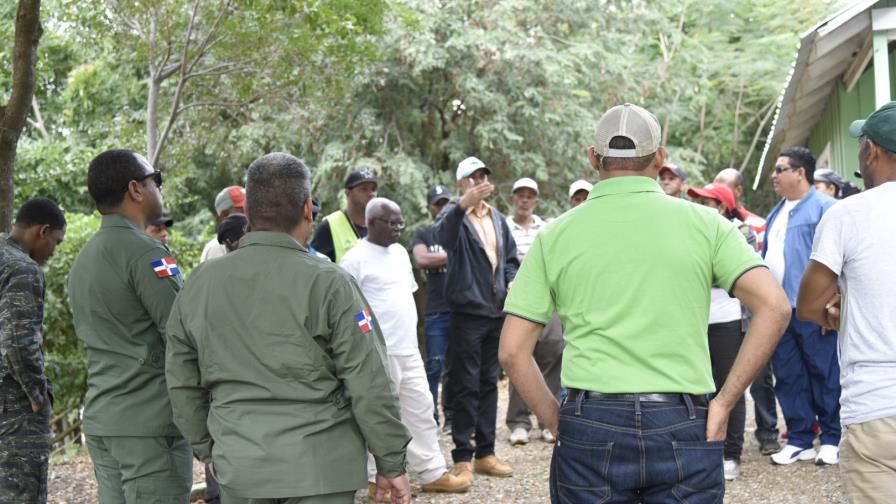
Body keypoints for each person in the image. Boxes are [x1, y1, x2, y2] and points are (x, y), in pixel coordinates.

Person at [499, 103, 790, 503]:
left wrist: (558, 419)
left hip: (592, 419)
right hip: (683, 419)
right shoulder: (707, 225)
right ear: (660, 158)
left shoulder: (555, 236)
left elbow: (513, 352)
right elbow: (775, 306)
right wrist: (725, 401)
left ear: (592, 158)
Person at [165, 153, 412, 504]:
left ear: (247, 213)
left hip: (241, 464)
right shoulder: (332, 284)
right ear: (308, 210)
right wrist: (392, 461)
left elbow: (180, 378)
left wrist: (209, 448)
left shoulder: (200, 284)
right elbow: (369, 379)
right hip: (322, 469)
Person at [68, 150, 193, 503]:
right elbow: (183, 336)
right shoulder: (146, 254)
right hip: (148, 427)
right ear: (136, 189)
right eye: (157, 180)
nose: (159, 189)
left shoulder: (84, 259)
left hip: (104, 421)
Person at [796, 102, 896, 503]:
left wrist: (844, 310)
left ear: (871, 150)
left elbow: (809, 306)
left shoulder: (849, 213)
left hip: (877, 406)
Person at [341, 197, 469, 499]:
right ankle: (375, 480)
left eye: (401, 221)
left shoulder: (399, 253)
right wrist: (367, 334)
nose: (399, 228)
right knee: (378, 416)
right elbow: (349, 309)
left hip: (408, 350)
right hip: (375, 354)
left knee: (422, 409)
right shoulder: (354, 259)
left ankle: (432, 472)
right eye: (392, 222)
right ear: (372, 222)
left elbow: (407, 295)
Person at [434, 156, 519, 483]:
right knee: (465, 384)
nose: (479, 181)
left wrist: (511, 280)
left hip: (495, 311)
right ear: (461, 182)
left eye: (483, 175)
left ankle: (486, 452)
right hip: (467, 312)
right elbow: (441, 238)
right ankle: (462, 456)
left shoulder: (497, 218)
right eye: (473, 176)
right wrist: (460, 205)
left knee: (488, 383)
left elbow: (509, 259)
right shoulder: (452, 214)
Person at [763, 146, 841, 466]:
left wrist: (833, 301)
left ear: (800, 173)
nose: (774, 175)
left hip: (813, 309)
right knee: (789, 374)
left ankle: (832, 437)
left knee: (823, 371)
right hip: (780, 310)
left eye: (780, 169)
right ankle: (800, 438)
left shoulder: (827, 208)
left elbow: (840, 258)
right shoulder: (777, 211)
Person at [687, 183, 757, 480]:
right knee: (696, 385)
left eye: (706, 201)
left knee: (730, 386)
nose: (699, 205)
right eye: (697, 200)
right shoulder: (691, 229)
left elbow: (731, 272)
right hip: (695, 318)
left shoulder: (742, 231)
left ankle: (731, 454)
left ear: (722, 206)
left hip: (728, 320)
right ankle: (703, 451)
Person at [0, 198, 66, 504]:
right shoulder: (24, 269)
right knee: (21, 493)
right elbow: (17, 341)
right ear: (43, 231)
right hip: (14, 411)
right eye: (56, 242)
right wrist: (37, 394)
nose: (54, 251)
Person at [713, 168, 778, 455]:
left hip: (743, 314)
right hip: (716, 317)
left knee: (757, 375)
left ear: (734, 195)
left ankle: (767, 432)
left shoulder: (750, 228)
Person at [504, 177, 562, 446]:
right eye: (520, 195)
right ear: (513, 198)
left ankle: (548, 421)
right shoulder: (504, 226)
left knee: (552, 353)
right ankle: (518, 422)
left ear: (536, 200)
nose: (525, 199)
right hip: (516, 299)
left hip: (548, 299)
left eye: (530, 195)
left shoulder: (547, 227)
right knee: (518, 354)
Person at [411, 184, 453, 433]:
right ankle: (431, 418)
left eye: (446, 203)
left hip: (461, 309)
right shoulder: (424, 232)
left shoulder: (458, 231)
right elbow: (422, 259)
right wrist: (454, 254)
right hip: (436, 310)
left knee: (456, 368)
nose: (442, 208)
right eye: (437, 204)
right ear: (429, 207)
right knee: (434, 366)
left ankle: (452, 419)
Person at [311, 169, 378, 262]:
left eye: (373, 189)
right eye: (364, 189)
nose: (371, 194)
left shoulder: (380, 225)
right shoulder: (330, 225)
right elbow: (315, 267)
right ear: (348, 193)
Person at [200, 186, 246, 262]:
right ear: (225, 215)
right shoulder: (217, 248)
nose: (249, 214)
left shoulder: (250, 240)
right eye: (243, 210)